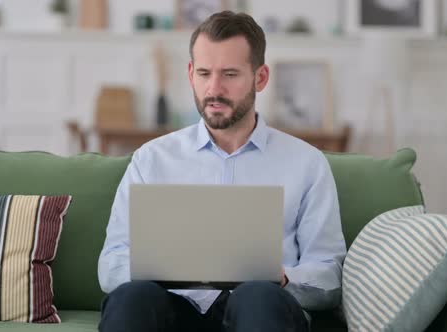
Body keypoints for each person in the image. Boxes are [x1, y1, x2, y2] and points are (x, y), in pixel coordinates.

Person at [97, 11, 346, 332]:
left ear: (261, 77)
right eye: (204, 73)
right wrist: (156, 268)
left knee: (258, 294)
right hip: (171, 308)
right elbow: (110, 265)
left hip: (259, 309)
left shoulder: (307, 163)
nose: (214, 89)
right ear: (190, 74)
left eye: (229, 74)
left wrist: (285, 277)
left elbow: (329, 277)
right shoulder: (151, 159)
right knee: (132, 297)